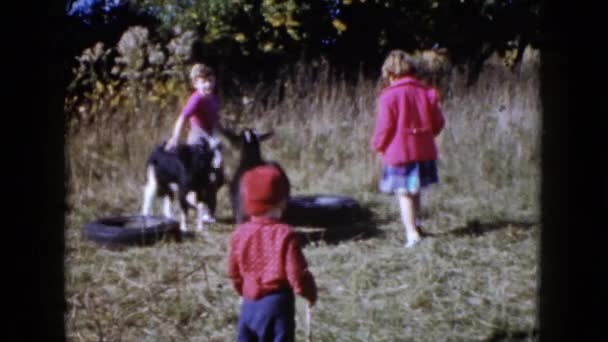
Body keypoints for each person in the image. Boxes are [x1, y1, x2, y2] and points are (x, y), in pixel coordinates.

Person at [227, 165, 317, 341]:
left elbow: (233, 271)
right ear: (282, 201)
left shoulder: (239, 233)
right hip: (277, 304)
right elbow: (297, 273)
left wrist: (242, 290)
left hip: (249, 304)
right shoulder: (284, 234)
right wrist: (309, 292)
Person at [371, 49, 445, 248]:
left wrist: (378, 145)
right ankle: (417, 225)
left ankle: (411, 233)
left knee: (404, 194)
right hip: (424, 152)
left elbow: (384, 127)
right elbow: (438, 123)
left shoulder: (389, 96)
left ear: (391, 74)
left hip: (399, 153)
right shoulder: (426, 93)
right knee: (416, 190)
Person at [166, 63, 224, 221]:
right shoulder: (196, 99)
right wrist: (175, 138)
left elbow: (216, 121)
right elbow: (182, 118)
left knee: (217, 174)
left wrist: (220, 137)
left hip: (210, 136)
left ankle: (209, 210)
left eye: (211, 80)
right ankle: (191, 198)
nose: (208, 84)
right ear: (195, 83)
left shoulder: (214, 98)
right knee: (197, 173)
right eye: (204, 81)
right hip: (197, 138)